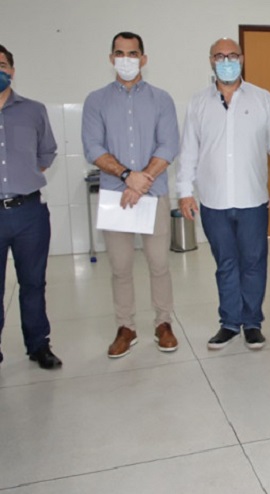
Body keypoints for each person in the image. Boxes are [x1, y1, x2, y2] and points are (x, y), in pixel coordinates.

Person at [82, 32, 180, 358]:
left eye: (133, 53)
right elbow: (93, 147)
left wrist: (142, 180)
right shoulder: (96, 101)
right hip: (115, 196)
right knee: (120, 267)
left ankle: (163, 323)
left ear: (143, 58)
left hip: (154, 194)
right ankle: (126, 327)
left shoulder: (161, 99)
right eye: (120, 53)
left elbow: (169, 145)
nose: (126, 59)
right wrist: (128, 176)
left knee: (159, 264)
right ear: (111, 58)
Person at [177, 38, 270, 351]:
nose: (226, 61)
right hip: (214, 201)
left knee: (254, 262)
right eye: (220, 56)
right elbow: (189, 150)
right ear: (211, 60)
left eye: (232, 55)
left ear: (242, 58)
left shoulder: (263, 99)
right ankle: (230, 323)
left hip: (253, 200)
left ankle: (252, 323)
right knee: (225, 263)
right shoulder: (198, 103)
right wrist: (184, 191)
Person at [0, 44, 61, 369]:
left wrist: (25, 174)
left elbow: (47, 151)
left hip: (29, 212)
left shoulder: (33, 110)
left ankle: (38, 345)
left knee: (33, 283)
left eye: (2, 64)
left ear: (11, 69)